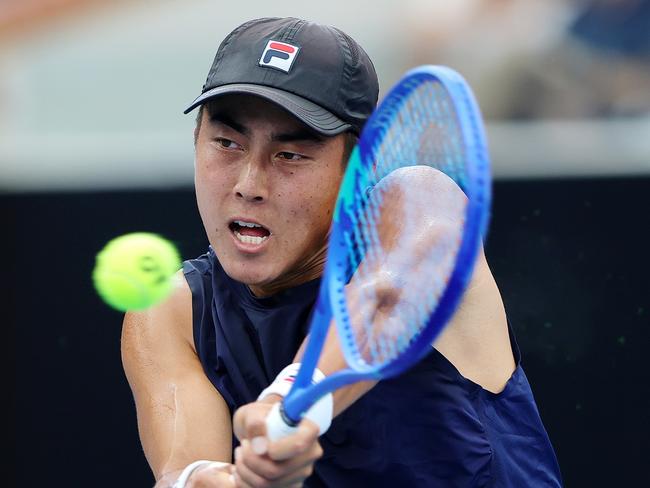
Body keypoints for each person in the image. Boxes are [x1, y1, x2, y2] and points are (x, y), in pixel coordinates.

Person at [121, 17, 563, 488]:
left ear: (356, 168)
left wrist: (289, 407)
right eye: (227, 143)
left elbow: (381, 302)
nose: (248, 185)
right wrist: (235, 481)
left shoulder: (420, 203)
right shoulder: (170, 310)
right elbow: (180, 473)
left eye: (290, 155)